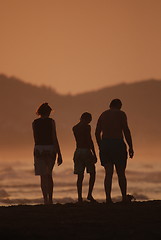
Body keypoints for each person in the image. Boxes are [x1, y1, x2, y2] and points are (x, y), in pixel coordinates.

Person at [95, 99, 134, 203]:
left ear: (110, 105)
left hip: (106, 144)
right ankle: (124, 197)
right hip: (117, 144)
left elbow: (97, 132)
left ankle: (108, 198)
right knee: (121, 173)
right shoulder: (121, 114)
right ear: (119, 106)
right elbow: (126, 130)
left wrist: (100, 145)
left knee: (108, 173)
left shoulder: (103, 114)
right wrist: (131, 146)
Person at [32, 103, 63, 204]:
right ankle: (50, 199)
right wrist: (59, 153)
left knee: (42, 176)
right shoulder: (51, 122)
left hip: (39, 149)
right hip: (50, 149)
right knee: (48, 175)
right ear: (48, 112)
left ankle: (45, 199)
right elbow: (54, 137)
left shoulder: (34, 123)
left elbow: (35, 138)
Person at [72, 112, 97, 203]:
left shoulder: (75, 128)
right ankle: (89, 194)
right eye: (89, 120)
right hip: (86, 151)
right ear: (86, 119)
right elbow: (89, 140)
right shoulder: (87, 127)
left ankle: (79, 197)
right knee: (92, 173)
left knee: (80, 176)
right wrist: (94, 153)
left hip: (78, 151)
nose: (89, 122)